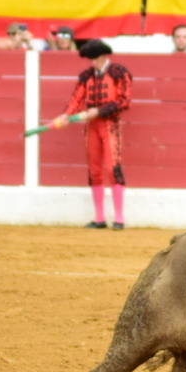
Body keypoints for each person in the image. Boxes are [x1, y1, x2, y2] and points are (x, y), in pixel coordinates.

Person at [52, 39, 132, 230]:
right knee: (94, 170)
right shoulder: (86, 75)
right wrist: (66, 115)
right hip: (91, 126)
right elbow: (76, 98)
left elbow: (124, 101)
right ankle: (99, 218)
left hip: (110, 124)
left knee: (113, 168)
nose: (92, 63)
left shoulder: (119, 73)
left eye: (94, 59)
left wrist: (99, 111)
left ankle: (119, 219)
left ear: (104, 56)